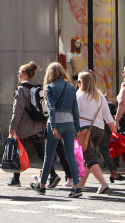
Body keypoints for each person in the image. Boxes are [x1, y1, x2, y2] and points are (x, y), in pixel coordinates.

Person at [8, 61, 64, 187]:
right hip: (38, 126)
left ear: (25, 74)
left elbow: (17, 110)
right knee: (40, 152)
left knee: (18, 151)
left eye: (20, 72)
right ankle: (52, 175)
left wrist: (12, 127)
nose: (18, 74)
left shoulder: (22, 89)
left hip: (24, 127)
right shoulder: (38, 87)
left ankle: (16, 179)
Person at [31, 62, 82, 198]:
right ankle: (77, 187)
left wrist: (53, 126)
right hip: (70, 124)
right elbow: (75, 109)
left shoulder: (49, 87)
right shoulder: (71, 87)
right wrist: (77, 128)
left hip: (56, 124)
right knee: (70, 155)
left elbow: (51, 109)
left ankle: (42, 186)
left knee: (49, 155)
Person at [76, 71, 117, 194]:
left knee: (90, 159)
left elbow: (75, 114)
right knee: (88, 156)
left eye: (79, 81)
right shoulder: (100, 97)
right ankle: (81, 184)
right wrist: (115, 131)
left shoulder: (79, 96)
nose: (77, 83)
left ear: (82, 83)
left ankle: (103, 184)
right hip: (99, 130)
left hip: (84, 130)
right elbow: (108, 117)